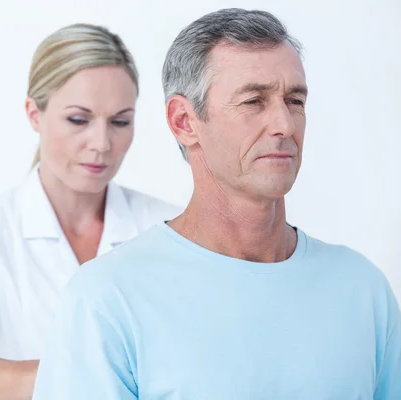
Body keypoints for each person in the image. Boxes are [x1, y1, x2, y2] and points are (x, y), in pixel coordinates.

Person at [32, 8, 401, 400]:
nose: (284, 125)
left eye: (294, 100)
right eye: (254, 101)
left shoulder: (363, 290)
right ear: (185, 122)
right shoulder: (106, 299)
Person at [0, 23, 182, 400]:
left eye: (120, 121)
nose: (101, 143)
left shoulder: (169, 228)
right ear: (34, 113)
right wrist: (94, 373)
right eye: (78, 120)